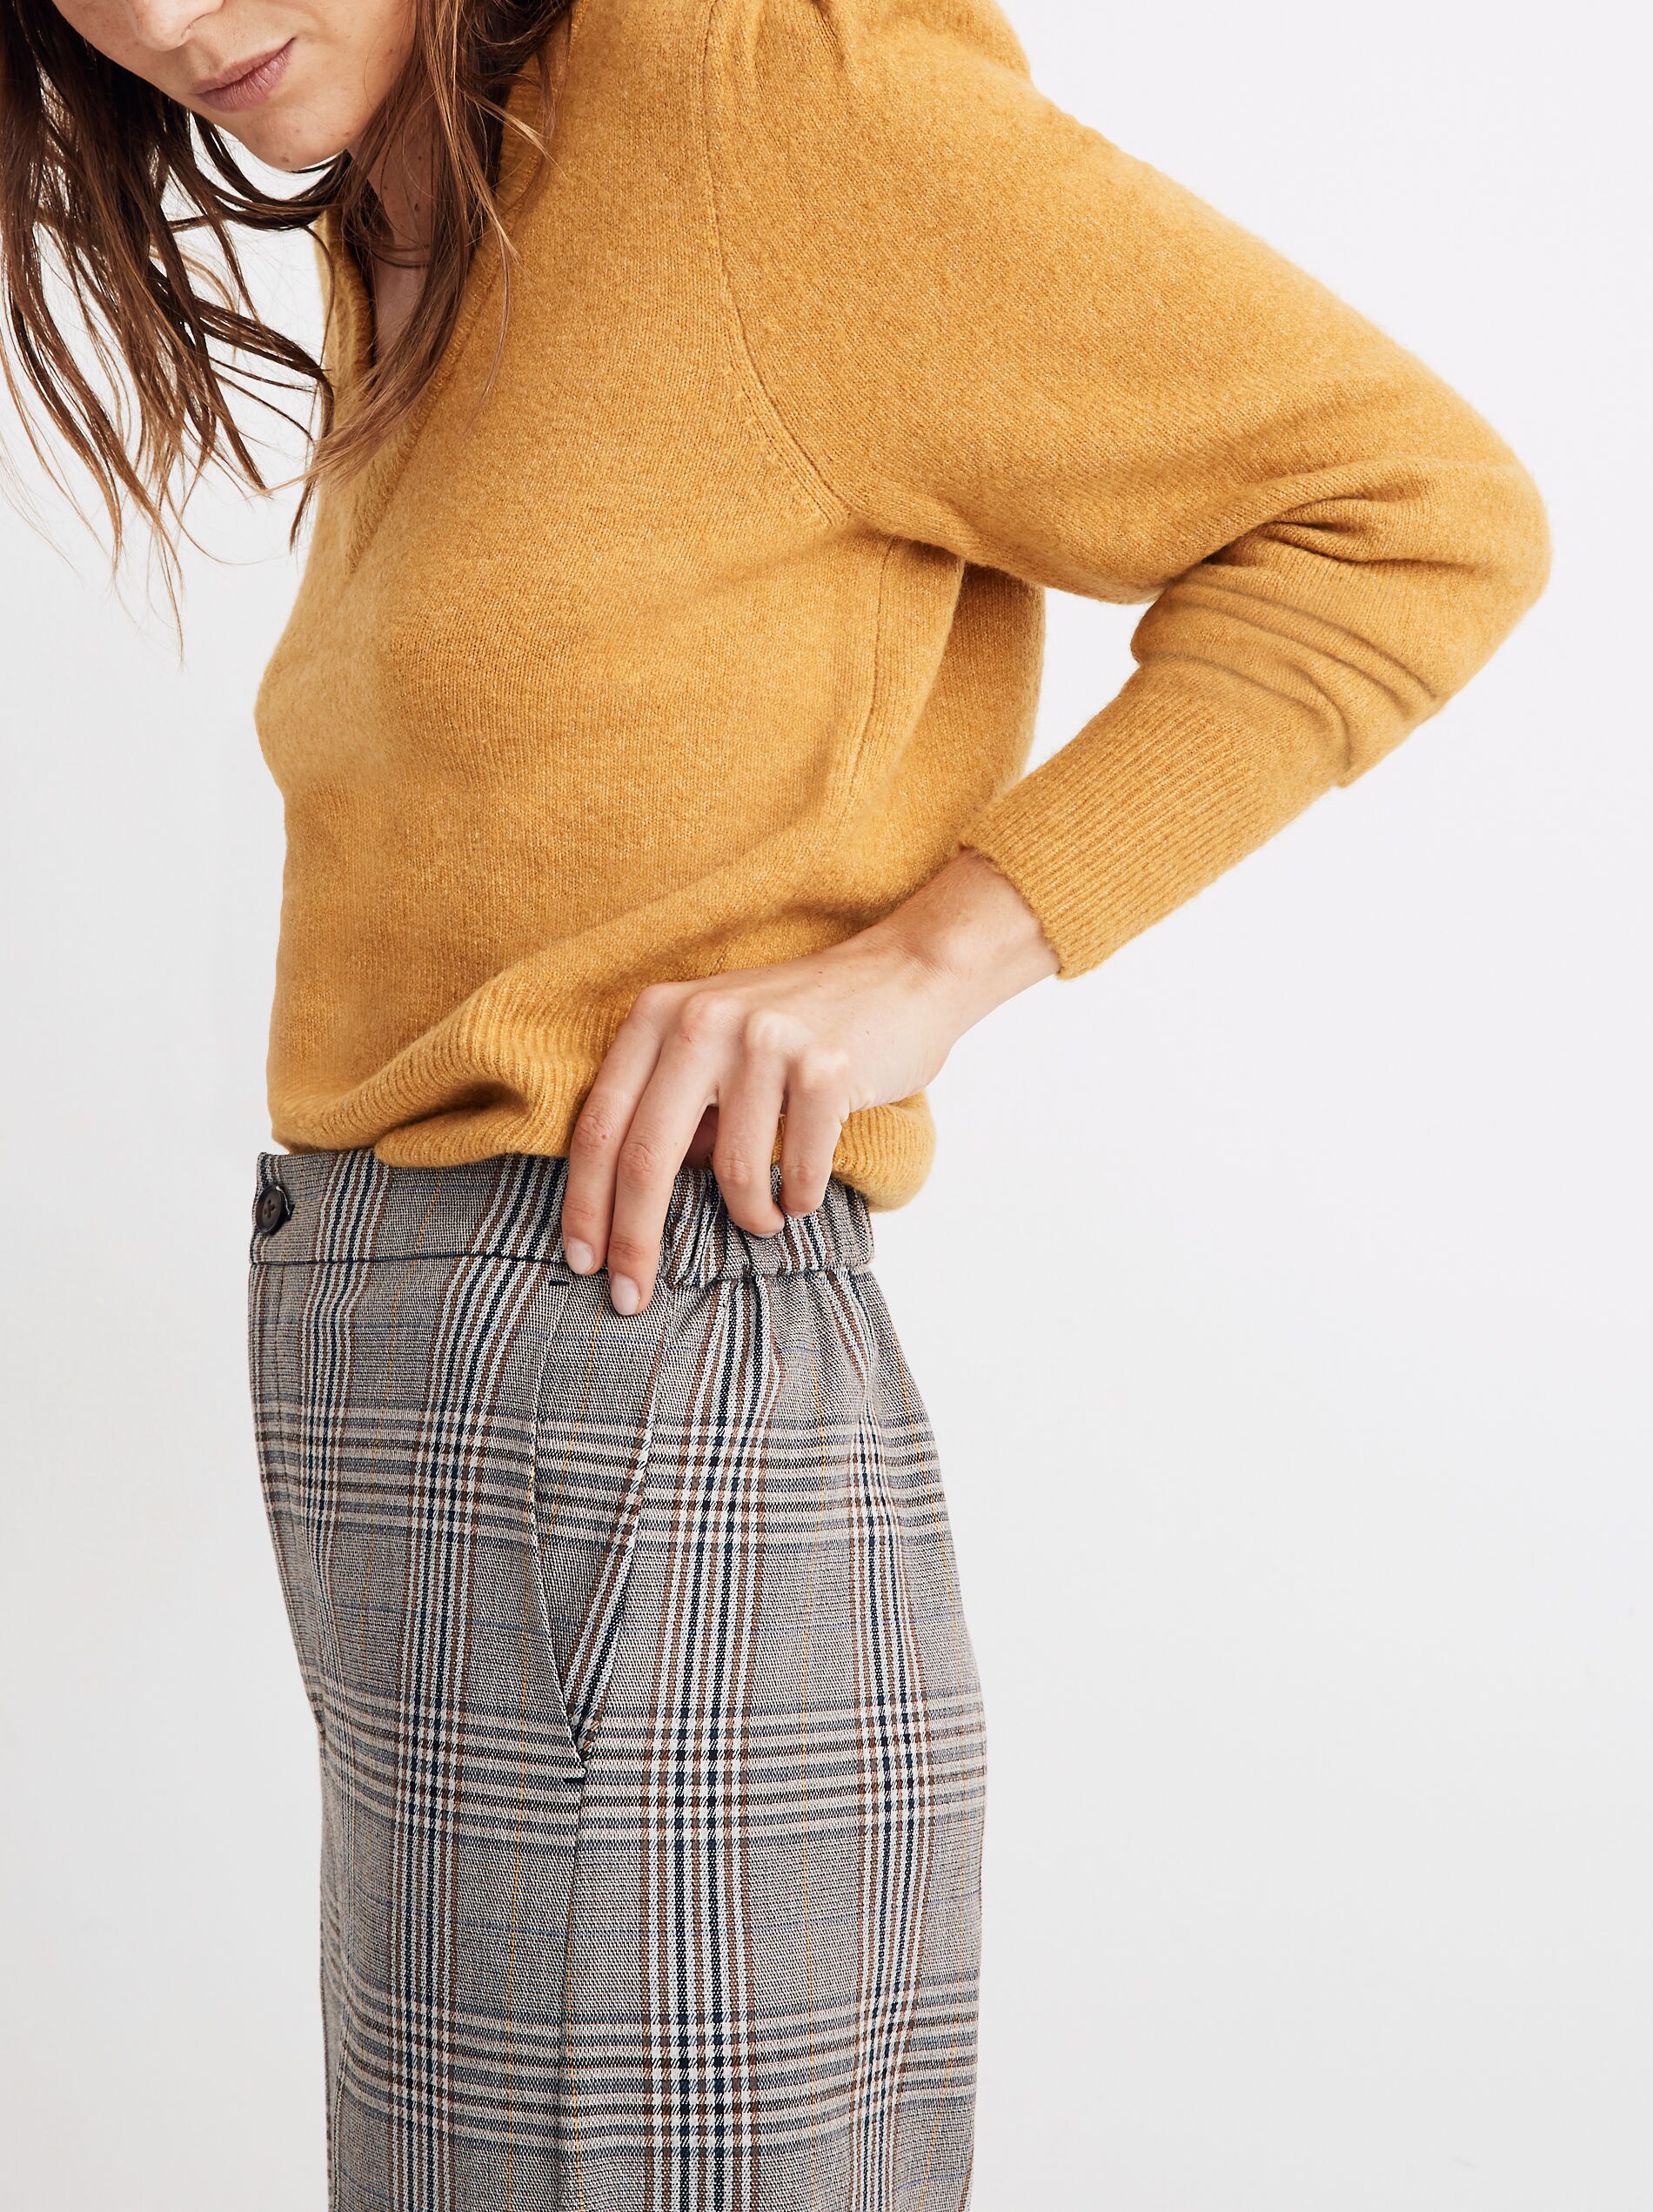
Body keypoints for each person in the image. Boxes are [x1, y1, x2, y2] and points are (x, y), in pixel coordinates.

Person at [2, 1, 1551, 2204]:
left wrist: (943, 954)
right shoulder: (427, 194)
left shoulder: (749, 105)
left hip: (627, 1402)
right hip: (445, 1439)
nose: (160, 11)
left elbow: (1415, 509)